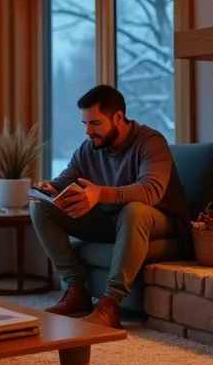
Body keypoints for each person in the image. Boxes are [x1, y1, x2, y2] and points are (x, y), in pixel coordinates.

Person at [30, 84, 191, 329]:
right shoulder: (90, 148)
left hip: (159, 223)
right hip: (113, 222)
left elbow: (150, 190)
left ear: (117, 117)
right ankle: (76, 291)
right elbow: (66, 180)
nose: (87, 131)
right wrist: (49, 189)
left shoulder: (150, 142)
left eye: (94, 123)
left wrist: (100, 194)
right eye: (84, 123)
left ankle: (110, 304)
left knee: (133, 209)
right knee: (41, 207)